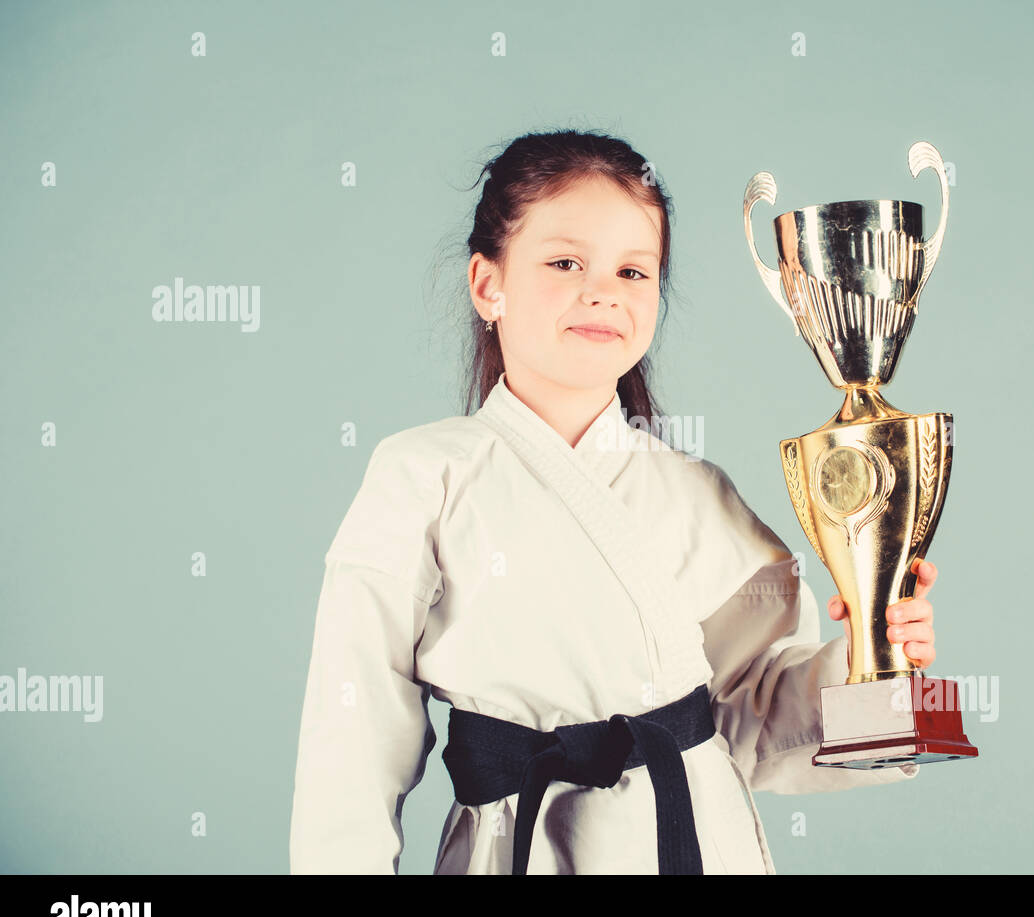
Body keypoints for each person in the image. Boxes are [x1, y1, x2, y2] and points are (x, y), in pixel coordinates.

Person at [288, 128, 940, 875]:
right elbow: (352, 738)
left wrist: (873, 663)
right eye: (566, 262)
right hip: (519, 848)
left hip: (692, 840)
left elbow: (754, 720)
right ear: (486, 283)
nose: (602, 290)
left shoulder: (695, 490)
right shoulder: (420, 476)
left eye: (634, 271)